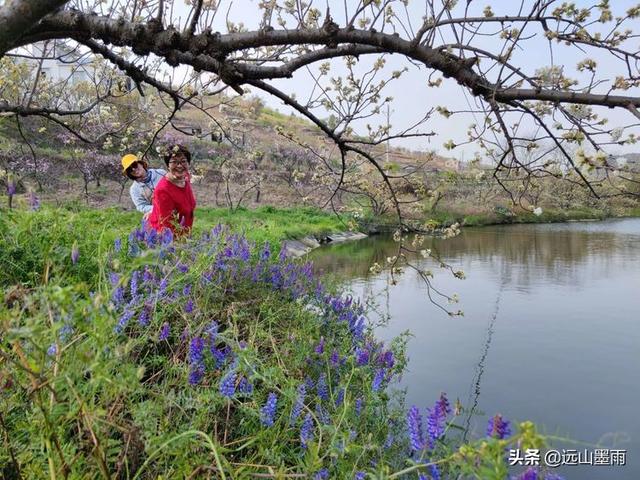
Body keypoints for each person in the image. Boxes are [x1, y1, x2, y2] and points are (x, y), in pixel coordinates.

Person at [147, 144, 196, 237]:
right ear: (167, 165)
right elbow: (166, 225)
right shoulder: (163, 190)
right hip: (165, 239)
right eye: (174, 162)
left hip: (184, 234)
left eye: (183, 161)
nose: (179, 165)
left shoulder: (185, 178)